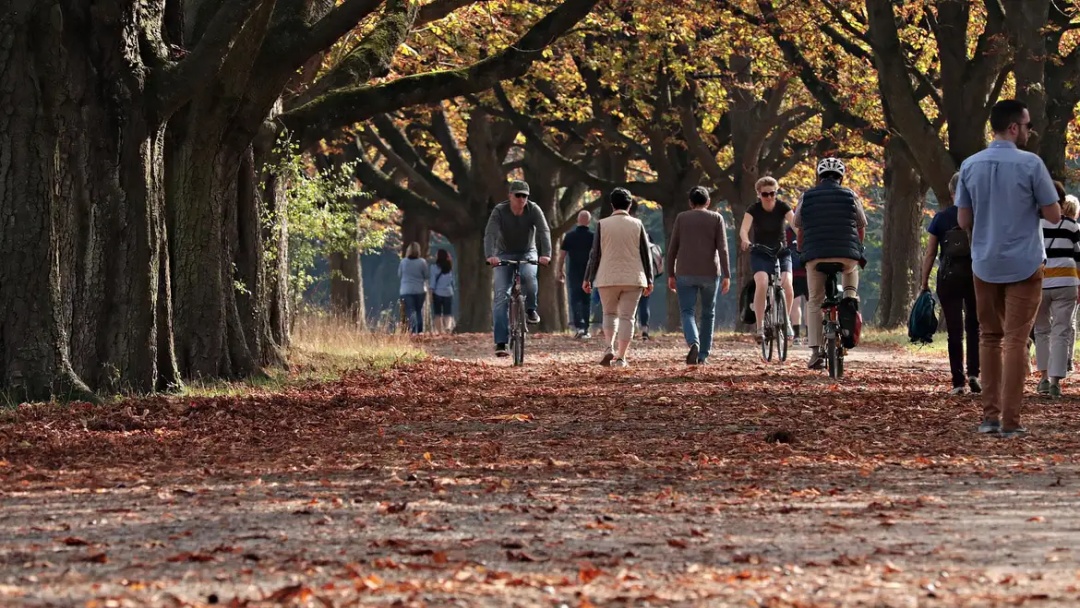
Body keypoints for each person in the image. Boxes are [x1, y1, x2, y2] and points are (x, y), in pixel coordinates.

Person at [956, 99, 1061, 438]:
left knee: (989, 337)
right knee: (1016, 340)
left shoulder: (970, 166)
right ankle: (1011, 422)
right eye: (1028, 125)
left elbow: (963, 219)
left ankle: (989, 417)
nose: (1030, 131)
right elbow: (1054, 215)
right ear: (1014, 128)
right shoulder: (1032, 165)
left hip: (984, 262)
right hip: (1025, 262)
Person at [794, 157, 867, 370]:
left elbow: (799, 227)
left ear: (819, 176)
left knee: (815, 300)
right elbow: (861, 226)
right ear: (841, 177)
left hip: (815, 255)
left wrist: (801, 250)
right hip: (846, 255)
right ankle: (849, 303)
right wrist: (858, 248)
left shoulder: (806, 197)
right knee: (851, 280)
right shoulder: (851, 195)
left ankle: (816, 352)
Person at [920, 172, 980, 395]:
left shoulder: (941, 218)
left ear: (952, 192)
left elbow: (930, 253)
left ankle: (958, 382)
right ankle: (974, 372)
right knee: (975, 326)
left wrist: (924, 282)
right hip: (975, 276)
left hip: (949, 277)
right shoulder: (977, 216)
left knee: (955, 329)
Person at [583, 188, 654, 367]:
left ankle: (609, 347)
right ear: (629, 205)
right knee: (627, 317)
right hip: (633, 277)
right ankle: (621, 357)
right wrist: (650, 279)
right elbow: (646, 254)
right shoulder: (638, 224)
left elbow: (595, 254)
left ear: (612, 204)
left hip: (607, 276)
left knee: (609, 313)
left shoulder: (602, 224)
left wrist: (588, 278)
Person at [484, 180, 552, 357]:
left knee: (529, 277)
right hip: (503, 253)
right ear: (510, 196)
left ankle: (530, 309)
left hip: (528, 252)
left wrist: (546, 255)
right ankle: (501, 342)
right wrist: (490, 255)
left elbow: (544, 231)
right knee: (501, 296)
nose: (522, 199)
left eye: (525, 196)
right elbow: (490, 233)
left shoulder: (534, 209)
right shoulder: (499, 211)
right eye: (518, 195)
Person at [666, 186, 732, 365]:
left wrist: (670, 273)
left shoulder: (681, 218)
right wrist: (727, 274)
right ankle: (703, 354)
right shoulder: (716, 218)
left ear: (690, 203)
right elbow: (723, 249)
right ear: (708, 202)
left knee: (687, 311)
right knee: (708, 313)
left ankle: (693, 341)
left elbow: (672, 249)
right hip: (710, 272)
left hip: (685, 272)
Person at [1034, 183, 1079, 398]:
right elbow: (1079, 258)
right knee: (1061, 331)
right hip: (1067, 282)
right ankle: (1055, 382)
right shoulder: (1072, 226)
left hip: (1040, 282)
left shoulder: (1035, 225)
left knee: (1041, 330)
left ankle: (1043, 377)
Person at [740, 176, 794, 343]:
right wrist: (745, 240)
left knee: (787, 283)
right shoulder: (753, 209)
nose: (769, 197)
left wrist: (801, 239)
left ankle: (786, 321)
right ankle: (760, 326)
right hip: (760, 251)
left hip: (781, 251)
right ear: (759, 194)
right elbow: (744, 229)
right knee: (762, 282)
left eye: (773, 193)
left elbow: (796, 225)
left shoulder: (783, 207)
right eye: (765, 194)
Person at [557, 210, 594, 339]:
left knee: (575, 299)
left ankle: (579, 326)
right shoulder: (593, 237)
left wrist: (559, 269)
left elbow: (562, 255)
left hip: (573, 272)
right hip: (588, 273)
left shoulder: (570, 236)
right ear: (589, 221)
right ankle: (586, 328)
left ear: (577, 221)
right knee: (586, 300)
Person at [638, 231, 664, 341]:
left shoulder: (634, 246)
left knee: (631, 303)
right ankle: (644, 328)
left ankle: (630, 328)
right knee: (644, 303)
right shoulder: (654, 247)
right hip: (649, 278)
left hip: (634, 277)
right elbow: (660, 265)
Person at [398, 242, 429, 334]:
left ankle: (413, 330)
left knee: (410, 311)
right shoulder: (422, 262)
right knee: (419, 310)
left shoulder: (403, 262)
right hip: (420, 290)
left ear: (408, 251)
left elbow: (399, 274)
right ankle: (419, 330)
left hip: (406, 290)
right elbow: (426, 275)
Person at [785, 224, 808, 345]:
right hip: (810, 269)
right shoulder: (811, 226)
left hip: (794, 270)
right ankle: (810, 335)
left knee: (796, 303)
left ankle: (797, 335)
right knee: (811, 303)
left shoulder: (789, 230)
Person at [430, 248, 455, 334]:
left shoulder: (434, 268)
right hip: (448, 292)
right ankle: (448, 328)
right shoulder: (450, 267)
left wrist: (431, 293)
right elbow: (452, 281)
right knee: (447, 313)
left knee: (437, 313)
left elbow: (432, 282)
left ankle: (440, 331)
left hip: (437, 293)